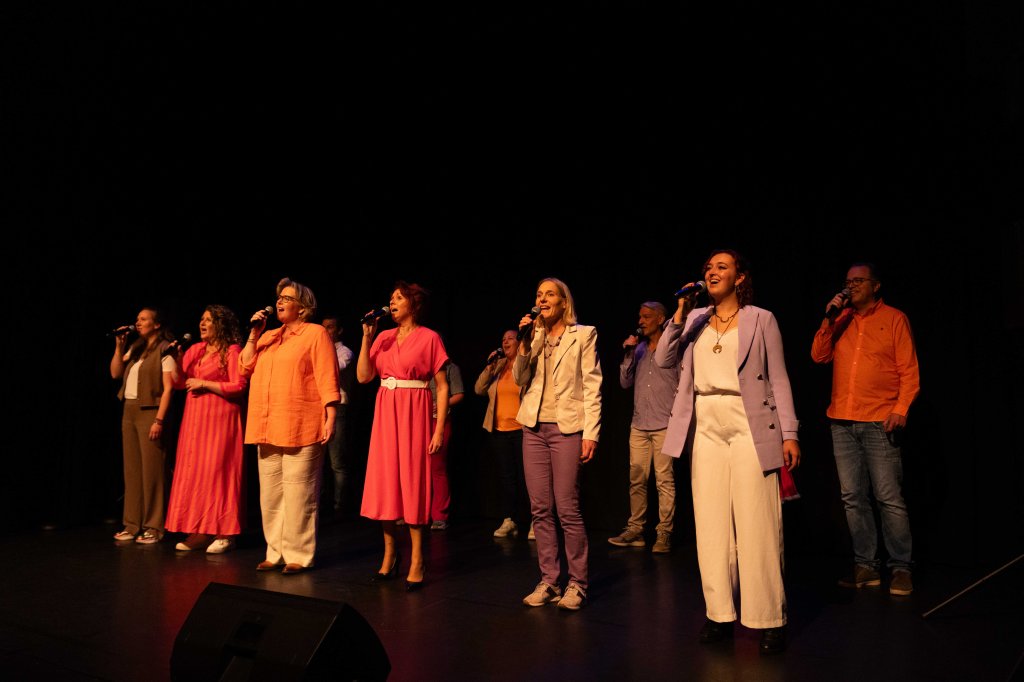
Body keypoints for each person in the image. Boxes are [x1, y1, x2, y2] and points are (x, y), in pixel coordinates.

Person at [656, 249, 800, 655]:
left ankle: (768, 618)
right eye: (708, 267)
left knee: (758, 523)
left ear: (740, 277)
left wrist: (789, 432)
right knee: (711, 525)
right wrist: (680, 312)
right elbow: (664, 358)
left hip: (749, 421)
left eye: (722, 266)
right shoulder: (695, 320)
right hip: (706, 423)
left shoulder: (761, 319)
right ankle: (719, 614)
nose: (712, 272)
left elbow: (779, 377)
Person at [811, 262, 920, 596]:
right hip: (842, 421)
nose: (852, 286)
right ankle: (866, 566)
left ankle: (901, 568)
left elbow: (909, 370)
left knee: (888, 497)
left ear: (876, 285)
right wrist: (829, 318)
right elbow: (818, 356)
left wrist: (900, 409)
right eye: (848, 281)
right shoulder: (841, 320)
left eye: (859, 281)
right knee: (853, 498)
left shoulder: (894, 319)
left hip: (879, 419)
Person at [240, 278, 340, 575]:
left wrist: (330, 415)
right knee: (271, 496)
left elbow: (327, 376)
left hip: (301, 422)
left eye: (287, 298)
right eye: (279, 298)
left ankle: (299, 554)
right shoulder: (268, 336)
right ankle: (275, 552)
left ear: (303, 307)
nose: (280, 302)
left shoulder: (315, 333)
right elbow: (244, 366)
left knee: (300, 494)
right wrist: (254, 334)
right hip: (266, 424)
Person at [515, 277, 602, 611]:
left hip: (567, 429)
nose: (543, 299)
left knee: (567, 507)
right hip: (534, 428)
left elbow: (592, 386)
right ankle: (549, 581)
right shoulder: (533, 336)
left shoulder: (584, 334)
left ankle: (577, 583)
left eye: (550, 294)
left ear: (564, 301)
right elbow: (520, 378)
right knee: (540, 508)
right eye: (539, 294)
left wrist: (591, 433)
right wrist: (525, 343)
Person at [358, 281, 450, 591]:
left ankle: (418, 559)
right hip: (386, 412)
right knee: (386, 483)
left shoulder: (429, 338)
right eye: (391, 298)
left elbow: (443, 386)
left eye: (398, 298)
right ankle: (389, 555)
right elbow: (363, 376)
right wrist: (367, 337)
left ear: (414, 304)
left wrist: (438, 428)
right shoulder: (382, 337)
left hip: (415, 412)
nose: (392, 303)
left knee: (413, 483)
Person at [165, 305, 248, 554]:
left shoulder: (232, 351)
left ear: (220, 324)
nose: (202, 323)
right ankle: (199, 531)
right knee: (195, 474)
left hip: (221, 420)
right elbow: (179, 383)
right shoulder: (196, 350)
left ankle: (225, 532)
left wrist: (205, 383)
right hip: (195, 421)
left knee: (218, 474)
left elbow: (239, 386)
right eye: (201, 319)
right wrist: (176, 359)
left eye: (208, 320)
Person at [608, 301, 679, 554]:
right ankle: (636, 530)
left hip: (664, 424)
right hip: (639, 424)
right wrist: (628, 353)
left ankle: (664, 533)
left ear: (660, 319)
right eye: (639, 316)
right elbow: (624, 383)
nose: (640, 321)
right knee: (636, 480)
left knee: (664, 481)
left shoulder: (672, 348)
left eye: (646, 317)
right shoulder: (637, 350)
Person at [110, 308, 176, 545]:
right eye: (137, 319)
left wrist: (159, 420)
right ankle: (131, 524)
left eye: (143, 319)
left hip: (151, 412)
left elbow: (169, 388)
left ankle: (153, 526)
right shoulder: (136, 348)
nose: (138, 322)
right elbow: (115, 373)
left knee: (152, 472)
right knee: (132, 471)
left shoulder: (165, 349)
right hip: (129, 411)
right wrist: (119, 346)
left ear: (157, 324)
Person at [474, 330, 529, 538]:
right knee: (507, 478)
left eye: (510, 338)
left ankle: (535, 521)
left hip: (522, 431)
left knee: (527, 479)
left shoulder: (525, 364)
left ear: (519, 342)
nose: (505, 342)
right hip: (499, 431)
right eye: (503, 339)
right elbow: (479, 389)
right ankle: (509, 519)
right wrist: (489, 368)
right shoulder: (498, 366)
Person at [322, 316, 356, 515]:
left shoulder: (345, 352)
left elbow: (333, 369)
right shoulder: (319, 350)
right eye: (323, 327)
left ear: (339, 330)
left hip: (338, 408)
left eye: (330, 327)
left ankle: (339, 506)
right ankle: (321, 502)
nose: (326, 330)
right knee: (317, 460)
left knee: (337, 461)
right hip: (318, 408)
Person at [428, 361, 464, 530]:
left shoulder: (450, 368)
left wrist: (442, 404)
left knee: (437, 468)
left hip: (439, 420)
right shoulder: (420, 365)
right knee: (415, 468)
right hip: (418, 419)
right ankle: (414, 512)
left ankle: (439, 515)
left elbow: (459, 394)